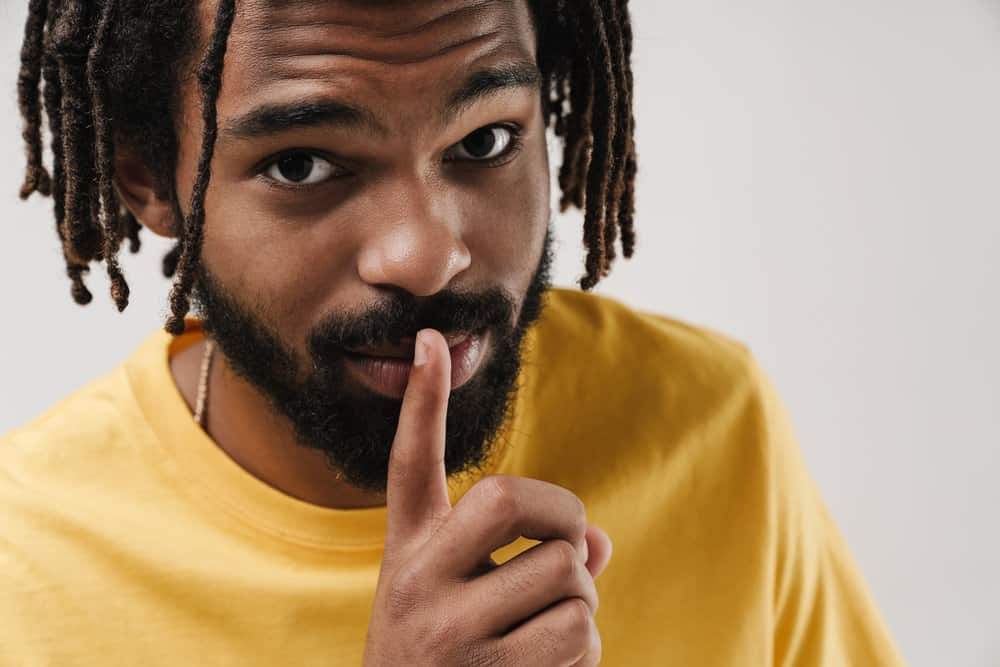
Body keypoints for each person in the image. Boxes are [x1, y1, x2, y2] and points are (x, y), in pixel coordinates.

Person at [2, 0, 905, 664]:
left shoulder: (711, 426)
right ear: (147, 178)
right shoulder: (24, 564)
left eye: (484, 143)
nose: (426, 255)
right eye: (302, 163)